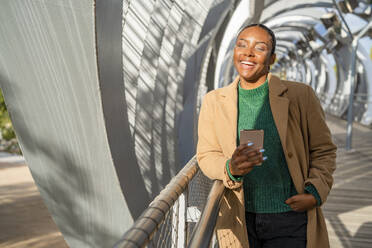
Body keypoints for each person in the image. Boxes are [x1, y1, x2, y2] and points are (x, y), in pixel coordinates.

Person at [196, 23, 337, 248]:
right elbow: (206, 154)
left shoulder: (300, 95)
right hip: (239, 217)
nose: (248, 52)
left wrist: (315, 191)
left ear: (272, 59)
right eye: (241, 45)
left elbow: (323, 150)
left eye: (259, 48)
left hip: (290, 216)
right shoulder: (214, 101)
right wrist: (230, 168)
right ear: (234, 51)